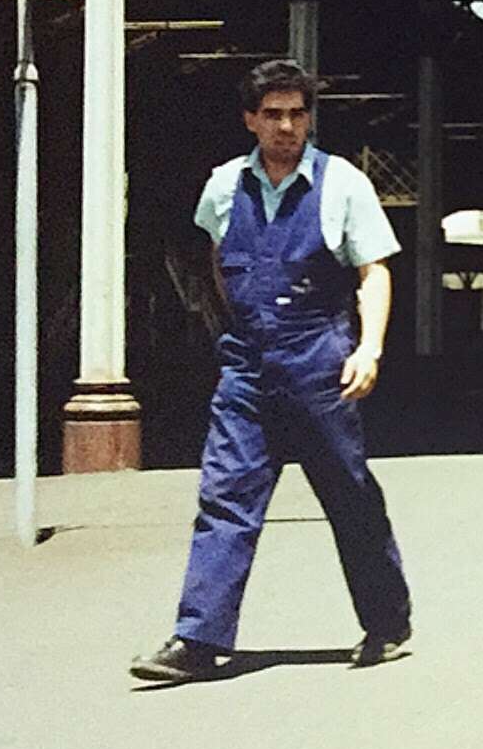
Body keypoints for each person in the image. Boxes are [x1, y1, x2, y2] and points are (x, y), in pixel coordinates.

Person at [130, 60, 412, 683]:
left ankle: (386, 623)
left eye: (297, 114)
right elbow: (218, 258)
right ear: (250, 120)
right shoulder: (224, 186)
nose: (286, 126)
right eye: (273, 114)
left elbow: (374, 271)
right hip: (248, 366)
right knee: (225, 497)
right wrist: (238, 328)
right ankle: (198, 639)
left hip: (319, 364)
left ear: (309, 119)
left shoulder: (342, 184)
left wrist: (368, 349)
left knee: (348, 495)